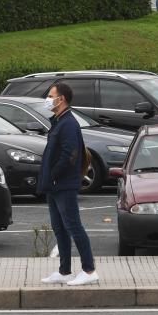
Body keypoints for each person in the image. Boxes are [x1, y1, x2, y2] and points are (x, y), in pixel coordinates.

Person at [39, 82, 98, 286]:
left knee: (73, 226)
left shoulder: (69, 124)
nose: (47, 99)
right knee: (60, 228)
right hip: (54, 185)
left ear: (61, 99)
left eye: (50, 95)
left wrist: (54, 175)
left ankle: (89, 270)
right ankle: (64, 271)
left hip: (63, 184)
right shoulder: (58, 121)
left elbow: (70, 154)